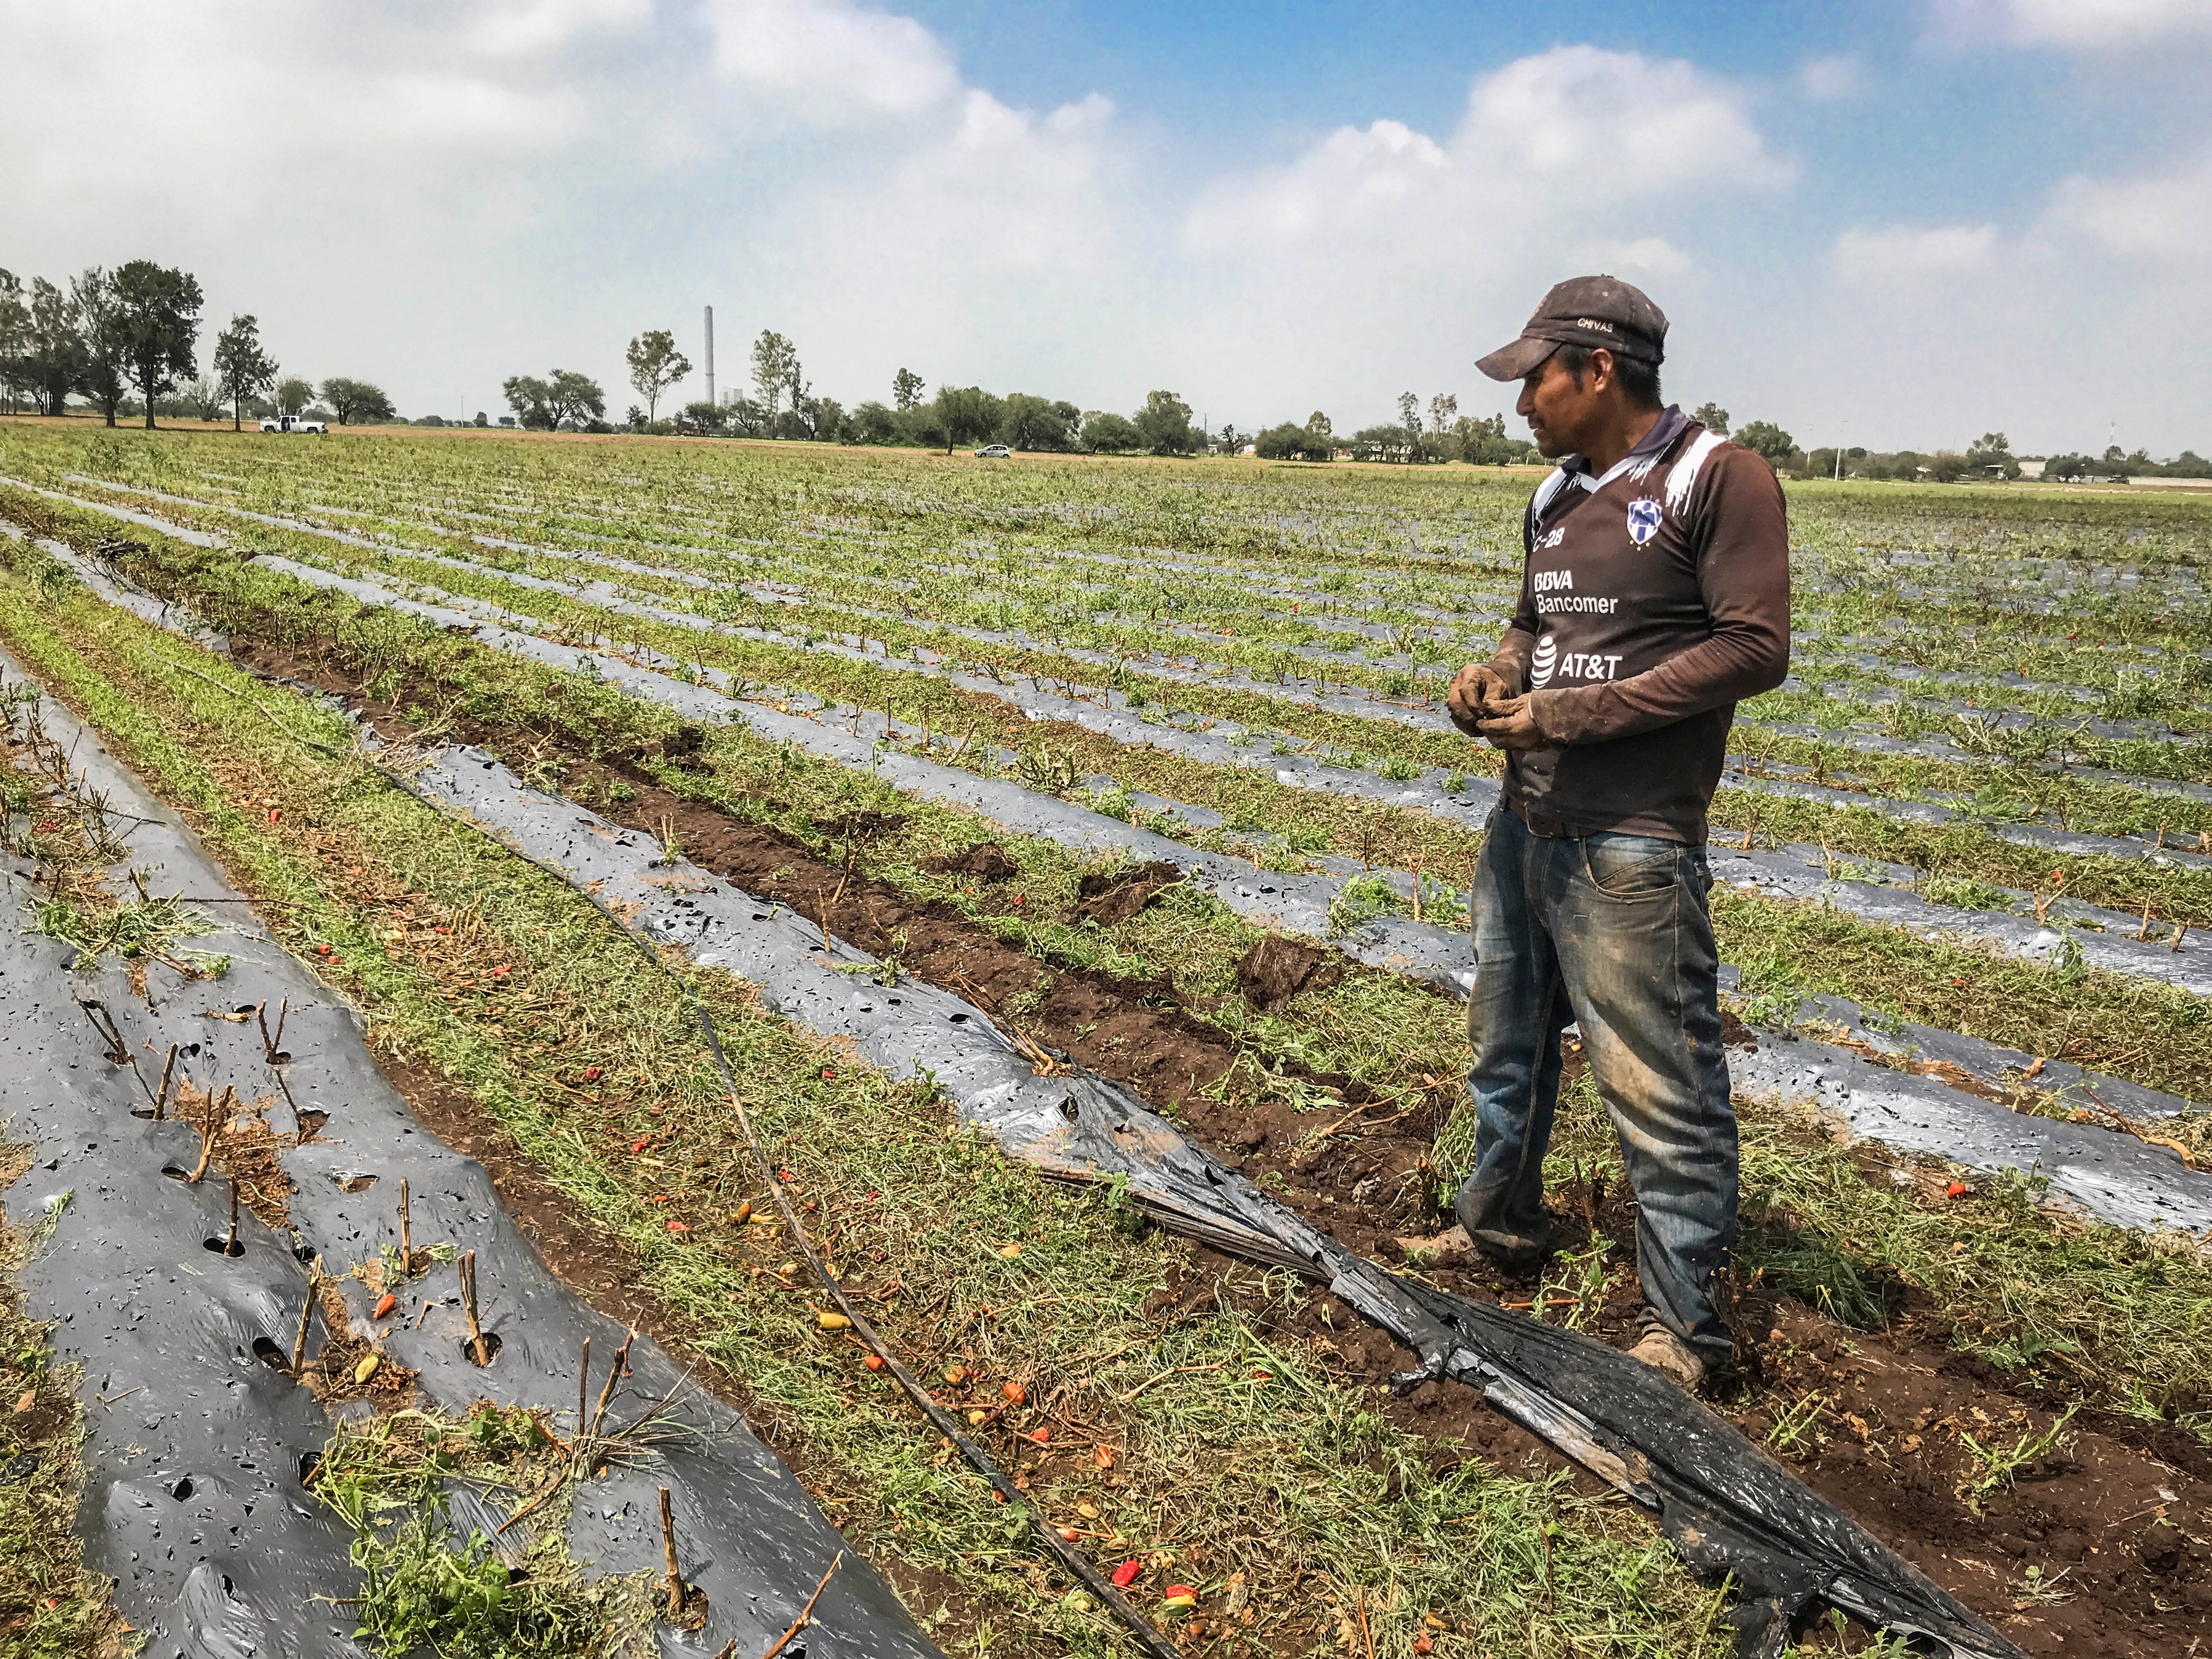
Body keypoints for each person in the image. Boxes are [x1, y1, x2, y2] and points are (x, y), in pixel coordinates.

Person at [1440, 275, 1790, 1392]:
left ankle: (1683, 1333)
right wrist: (1497, 676)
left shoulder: (1716, 478)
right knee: (1508, 1044)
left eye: (1532, 380)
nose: (1519, 405)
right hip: (1526, 818)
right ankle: (1498, 1223)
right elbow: (1534, 624)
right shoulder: (1553, 497)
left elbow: (1753, 649)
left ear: (1597, 370)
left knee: (1658, 1087)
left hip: (1631, 842)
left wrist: (1570, 712)